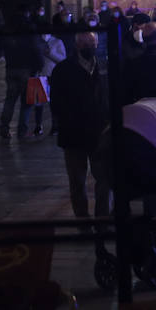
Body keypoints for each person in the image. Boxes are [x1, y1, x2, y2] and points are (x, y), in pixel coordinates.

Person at [50, 32, 111, 218]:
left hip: (101, 131)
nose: (90, 46)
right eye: (85, 43)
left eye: (92, 42)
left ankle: (103, 217)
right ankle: (82, 219)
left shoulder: (104, 66)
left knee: (105, 179)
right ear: (77, 45)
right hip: (74, 133)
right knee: (77, 180)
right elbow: (57, 103)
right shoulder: (63, 69)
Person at [0, 14, 42, 140]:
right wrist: (39, 65)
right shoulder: (29, 35)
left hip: (11, 69)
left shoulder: (9, 35)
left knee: (10, 100)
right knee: (27, 102)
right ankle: (22, 131)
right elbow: (36, 51)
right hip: (26, 71)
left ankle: (4, 127)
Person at [31, 29, 67, 136]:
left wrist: (50, 53)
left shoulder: (57, 42)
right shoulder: (36, 42)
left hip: (53, 75)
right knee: (38, 103)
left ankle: (55, 126)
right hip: (39, 74)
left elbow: (62, 59)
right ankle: (38, 126)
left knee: (54, 103)